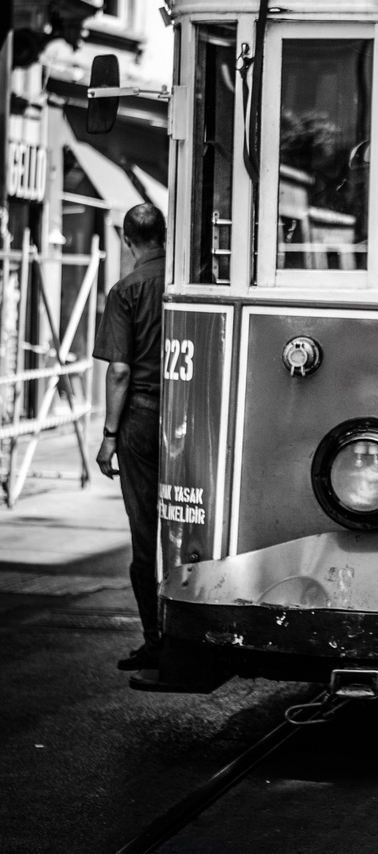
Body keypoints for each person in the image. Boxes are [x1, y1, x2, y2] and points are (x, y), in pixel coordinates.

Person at [93, 204, 166, 677]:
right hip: (189, 413)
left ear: (127, 239)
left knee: (145, 532)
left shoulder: (127, 290)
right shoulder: (188, 283)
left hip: (140, 416)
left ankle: (156, 640)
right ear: (165, 235)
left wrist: (108, 436)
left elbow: (120, 369)